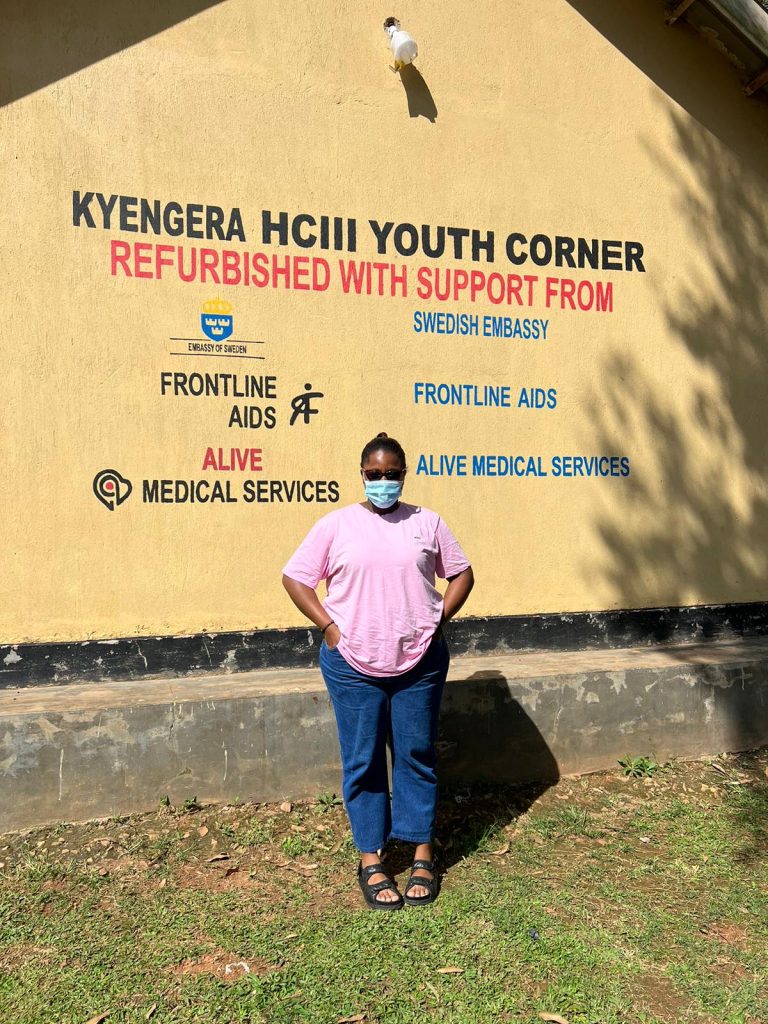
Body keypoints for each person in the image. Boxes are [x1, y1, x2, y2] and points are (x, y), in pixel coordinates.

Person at [282, 432, 474, 910]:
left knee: (416, 754)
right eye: (374, 474)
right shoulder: (336, 525)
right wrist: (329, 627)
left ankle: (422, 852)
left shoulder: (427, 522)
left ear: (404, 475)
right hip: (352, 664)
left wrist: (438, 619)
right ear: (361, 474)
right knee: (363, 759)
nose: (383, 481)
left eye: (391, 474)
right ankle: (371, 857)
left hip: (419, 661)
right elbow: (295, 577)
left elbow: (462, 573)